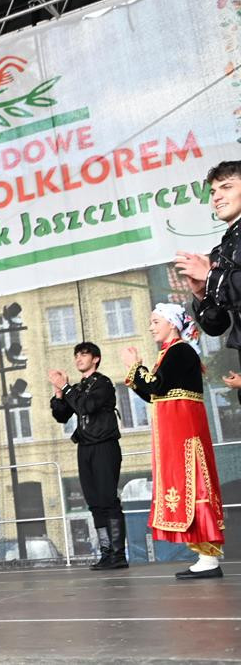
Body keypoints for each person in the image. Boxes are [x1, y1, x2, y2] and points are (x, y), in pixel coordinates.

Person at [121, 303, 226, 579]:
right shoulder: (170, 353)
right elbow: (155, 393)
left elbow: (155, 385)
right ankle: (204, 555)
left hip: (183, 428)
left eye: (156, 321)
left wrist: (135, 366)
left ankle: (208, 556)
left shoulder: (180, 351)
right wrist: (137, 374)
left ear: (171, 324)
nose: (151, 326)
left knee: (194, 483)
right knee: (187, 483)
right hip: (175, 428)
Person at [48, 342, 127, 570]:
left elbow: (88, 407)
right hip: (85, 447)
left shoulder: (102, 383)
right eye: (76, 355)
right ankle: (106, 553)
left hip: (105, 446)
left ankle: (118, 555)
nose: (78, 359)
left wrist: (68, 387)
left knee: (108, 499)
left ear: (96, 359)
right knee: (94, 502)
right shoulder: (79, 387)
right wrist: (59, 392)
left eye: (84, 354)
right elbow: (62, 415)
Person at [175, 161, 241, 399]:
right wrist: (202, 293)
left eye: (227, 187)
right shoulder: (220, 250)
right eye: (214, 191)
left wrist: (211, 276)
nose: (217, 197)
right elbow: (217, 326)